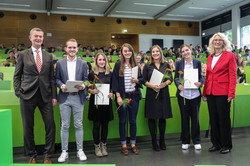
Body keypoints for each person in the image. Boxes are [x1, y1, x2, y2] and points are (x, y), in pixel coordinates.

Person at [13, 28, 57, 164]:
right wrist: (18, 91)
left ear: (43, 38)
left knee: (50, 125)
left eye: (40, 36)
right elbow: (17, 76)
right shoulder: (22, 54)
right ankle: (31, 155)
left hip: (46, 96)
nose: (38, 38)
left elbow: (51, 78)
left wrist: (54, 96)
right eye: (36, 36)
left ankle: (48, 155)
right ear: (30, 38)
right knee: (28, 127)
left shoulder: (49, 56)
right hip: (27, 95)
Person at [202, 32, 237, 154]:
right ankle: (216, 144)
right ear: (212, 42)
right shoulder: (210, 57)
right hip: (210, 92)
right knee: (213, 119)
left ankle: (226, 144)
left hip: (223, 92)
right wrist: (204, 92)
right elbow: (208, 77)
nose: (217, 42)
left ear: (224, 42)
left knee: (223, 119)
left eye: (220, 40)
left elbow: (233, 75)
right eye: (215, 40)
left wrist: (231, 93)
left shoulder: (230, 55)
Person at [56, 39, 88, 162]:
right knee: (65, 125)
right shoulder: (60, 63)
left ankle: (80, 150)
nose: (72, 49)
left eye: (74, 47)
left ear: (77, 49)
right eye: (70, 47)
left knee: (78, 125)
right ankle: (64, 151)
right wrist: (61, 86)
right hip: (64, 97)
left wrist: (83, 86)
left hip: (78, 97)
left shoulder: (83, 63)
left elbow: (85, 79)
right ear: (66, 49)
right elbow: (57, 78)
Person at [112, 43, 142, 155]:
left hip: (134, 96)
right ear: (122, 52)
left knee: (133, 121)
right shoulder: (118, 64)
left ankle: (133, 144)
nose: (127, 53)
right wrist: (118, 96)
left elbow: (142, 79)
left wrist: (137, 81)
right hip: (122, 97)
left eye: (129, 50)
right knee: (122, 121)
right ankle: (124, 145)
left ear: (132, 52)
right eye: (125, 51)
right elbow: (114, 81)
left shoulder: (136, 64)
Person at [143, 45, 173, 151]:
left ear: (160, 52)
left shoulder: (166, 64)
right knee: (152, 117)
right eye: (153, 52)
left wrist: (164, 84)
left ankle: (162, 141)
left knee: (162, 117)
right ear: (151, 54)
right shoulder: (147, 65)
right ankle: (154, 141)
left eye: (157, 51)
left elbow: (170, 78)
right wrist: (153, 86)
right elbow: (144, 81)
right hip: (152, 94)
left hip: (163, 93)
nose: (155, 53)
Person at [174, 44, 204, 150]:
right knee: (184, 119)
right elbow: (176, 78)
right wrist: (179, 85)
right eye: (183, 51)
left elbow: (202, 77)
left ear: (190, 50)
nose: (185, 52)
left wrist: (200, 83)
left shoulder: (198, 62)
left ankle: (196, 141)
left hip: (195, 95)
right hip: (183, 96)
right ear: (181, 53)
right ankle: (185, 141)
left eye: (187, 50)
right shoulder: (178, 63)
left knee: (195, 119)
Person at [88, 52, 113, 157]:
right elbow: (87, 87)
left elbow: (112, 87)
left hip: (106, 102)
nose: (102, 61)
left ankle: (103, 145)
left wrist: (111, 92)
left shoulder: (109, 73)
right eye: (100, 59)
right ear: (96, 61)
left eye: (103, 60)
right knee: (96, 124)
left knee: (105, 124)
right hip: (96, 102)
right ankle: (97, 146)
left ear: (106, 61)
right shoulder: (91, 73)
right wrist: (91, 91)